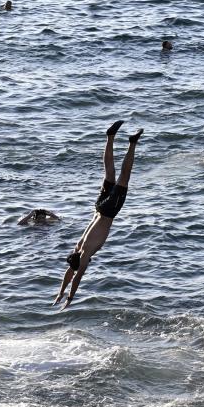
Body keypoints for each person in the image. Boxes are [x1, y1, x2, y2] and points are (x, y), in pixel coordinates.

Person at [54, 120, 143, 308]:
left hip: (109, 211)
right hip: (98, 207)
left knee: (124, 177)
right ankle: (110, 137)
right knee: (109, 174)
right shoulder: (78, 246)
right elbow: (69, 272)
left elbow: (76, 276)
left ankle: (132, 143)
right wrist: (60, 292)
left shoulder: (85, 253)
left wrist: (69, 298)